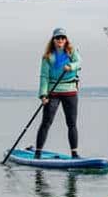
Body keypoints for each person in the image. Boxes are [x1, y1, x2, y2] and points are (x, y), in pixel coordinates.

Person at [30, 27, 82, 159]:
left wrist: (71, 66)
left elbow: (79, 63)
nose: (60, 40)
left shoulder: (72, 52)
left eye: (63, 38)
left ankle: (74, 154)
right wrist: (43, 95)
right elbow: (44, 76)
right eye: (57, 38)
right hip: (53, 92)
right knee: (46, 122)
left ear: (66, 40)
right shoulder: (48, 57)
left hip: (70, 91)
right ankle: (38, 153)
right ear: (53, 40)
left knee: (72, 123)